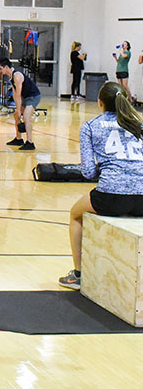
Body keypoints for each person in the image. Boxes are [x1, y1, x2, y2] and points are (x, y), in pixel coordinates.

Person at [59, 82, 143, 290]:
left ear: (100, 103)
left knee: (75, 215)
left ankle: (78, 274)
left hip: (111, 195)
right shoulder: (139, 124)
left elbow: (87, 172)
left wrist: (105, 169)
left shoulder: (91, 126)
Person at [0, 57, 41, 151]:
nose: (0, 71)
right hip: (25, 97)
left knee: (26, 116)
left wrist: (19, 109)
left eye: (0, 69)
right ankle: (18, 139)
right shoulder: (11, 78)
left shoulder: (17, 76)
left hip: (33, 96)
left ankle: (30, 142)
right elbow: (15, 95)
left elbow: (18, 93)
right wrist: (17, 109)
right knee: (16, 116)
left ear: (6, 67)